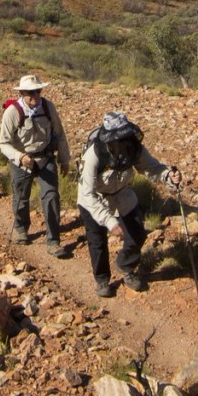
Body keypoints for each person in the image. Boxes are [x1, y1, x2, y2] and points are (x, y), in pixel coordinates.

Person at [77, 112, 182, 298]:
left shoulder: (134, 148)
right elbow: (88, 193)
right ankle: (102, 280)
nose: (125, 140)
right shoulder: (94, 155)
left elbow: (152, 168)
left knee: (137, 233)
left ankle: (126, 266)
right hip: (94, 199)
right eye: (120, 137)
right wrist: (109, 222)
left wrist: (167, 176)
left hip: (123, 194)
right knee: (97, 240)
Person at [0, 74, 72, 258]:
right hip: (21, 161)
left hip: (45, 158)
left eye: (37, 91)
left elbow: (60, 133)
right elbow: (3, 143)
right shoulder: (12, 112)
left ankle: (53, 241)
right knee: (22, 197)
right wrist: (19, 156)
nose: (35, 96)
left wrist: (64, 159)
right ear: (22, 92)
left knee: (51, 197)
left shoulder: (48, 107)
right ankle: (21, 229)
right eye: (30, 92)